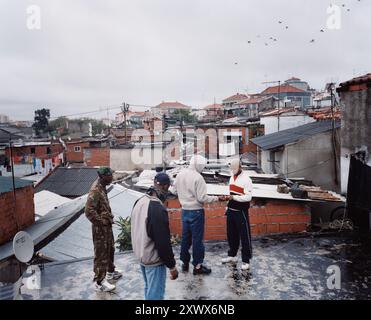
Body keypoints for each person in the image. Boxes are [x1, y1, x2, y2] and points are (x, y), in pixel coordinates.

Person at [131, 172, 179, 300]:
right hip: (153, 260)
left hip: (142, 256)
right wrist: (172, 266)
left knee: (149, 289)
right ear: (164, 187)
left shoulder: (139, 201)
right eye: (168, 188)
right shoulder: (156, 208)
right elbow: (162, 242)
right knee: (156, 296)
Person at [174, 155, 220, 275]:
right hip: (196, 211)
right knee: (197, 240)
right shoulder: (198, 178)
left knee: (185, 238)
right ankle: (198, 266)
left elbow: (173, 191)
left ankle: (184, 262)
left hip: (184, 211)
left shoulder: (180, 174)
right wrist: (217, 198)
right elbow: (202, 198)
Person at [85, 166, 122, 292]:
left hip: (106, 226)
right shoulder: (95, 190)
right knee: (101, 253)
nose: (112, 177)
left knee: (110, 248)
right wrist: (101, 222)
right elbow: (88, 211)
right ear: (102, 176)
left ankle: (110, 271)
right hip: (100, 228)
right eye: (109, 175)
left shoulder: (103, 186)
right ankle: (100, 281)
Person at [220, 158, 253, 270]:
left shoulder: (246, 179)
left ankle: (246, 260)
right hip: (231, 210)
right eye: (232, 169)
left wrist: (234, 197)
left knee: (244, 236)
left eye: (235, 169)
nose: (233, 171)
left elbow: (248, 197)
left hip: (241, 211)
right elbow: (231, 193)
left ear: (239, 167)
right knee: (231, 234)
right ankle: (232, 255)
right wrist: (227, 206)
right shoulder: (231, 178)